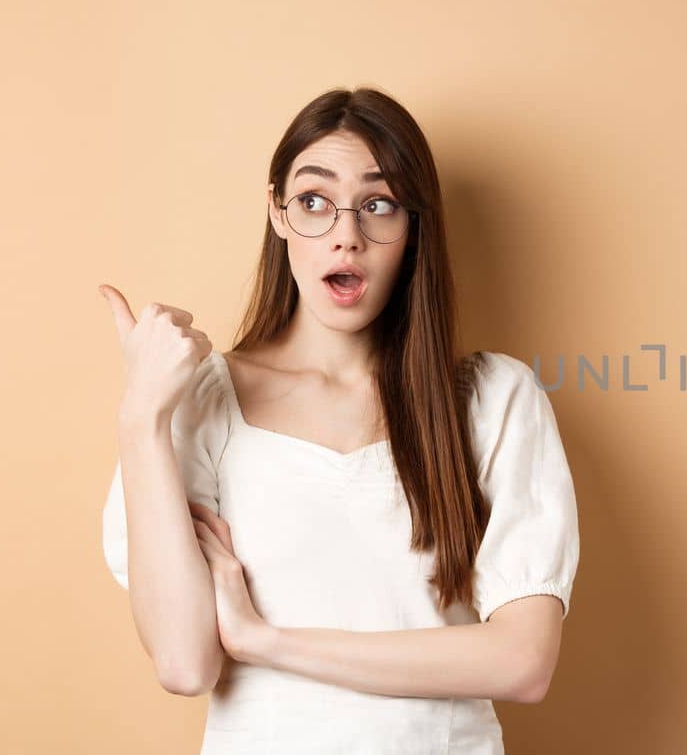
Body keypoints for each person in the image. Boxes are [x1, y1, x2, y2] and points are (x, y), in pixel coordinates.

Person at [96, 86, 580, 754]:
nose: (345, 235)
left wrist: (269, 641)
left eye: (378, 204)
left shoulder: (492, 398)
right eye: (314, 202)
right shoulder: (202, 403)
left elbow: (523, 663)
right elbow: (184, 663)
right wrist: (141, 416)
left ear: (413, 226)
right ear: (277, 213)